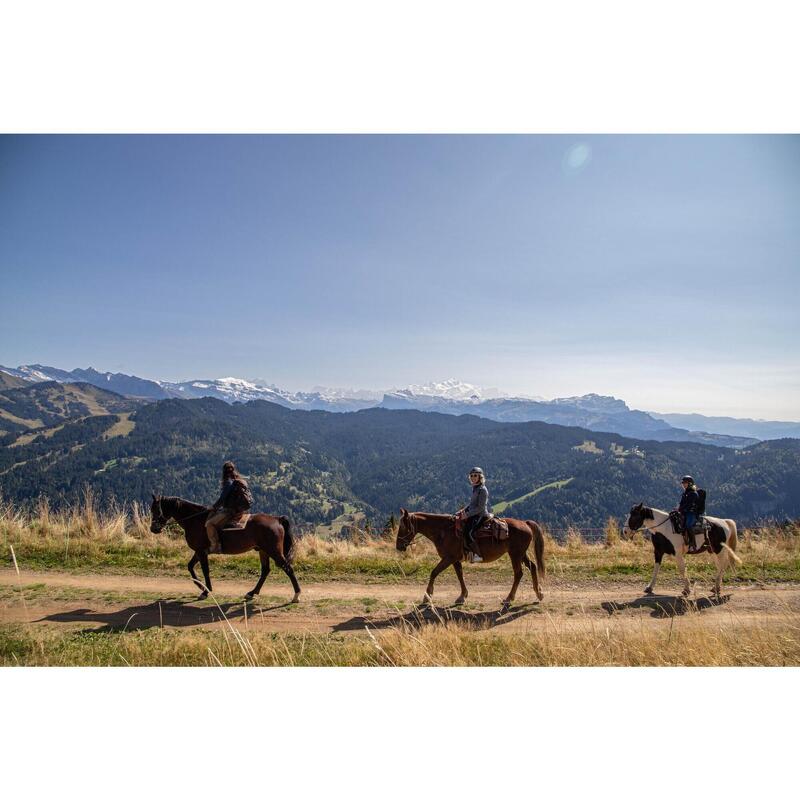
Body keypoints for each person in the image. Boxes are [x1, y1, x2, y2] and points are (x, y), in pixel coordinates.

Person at [205, 461, 249, 554]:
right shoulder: (237, 479)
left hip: (229, 511)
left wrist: (214, 507)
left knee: (209, 524)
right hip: (237, 509)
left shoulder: (228, 482)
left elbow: (223, 498)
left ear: (224, 471)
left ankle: (215, 547)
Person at [457, 467, 491, 563]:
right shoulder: (475, 488)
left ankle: (477, 555)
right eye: (471, 475)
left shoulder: (482, 490)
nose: (473, 477)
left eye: (475, 475)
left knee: (468, 532)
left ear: (480, 476)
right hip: (473, 514)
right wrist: (463, 510)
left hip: (480, 515)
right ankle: (466, 553)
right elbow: (472, 504)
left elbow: (480, 507)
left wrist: (466, 515)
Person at [678, 475, 701, 553]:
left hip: (691, 513)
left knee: (688, 525)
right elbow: (681, 504)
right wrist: (677, 509)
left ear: (690, 484)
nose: (683, 484)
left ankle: (693, 544)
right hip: (684, 512)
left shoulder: (693, 493)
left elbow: (689, 505)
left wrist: (681, 509)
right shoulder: (685, 493)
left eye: (685, 483)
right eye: (683, 483)